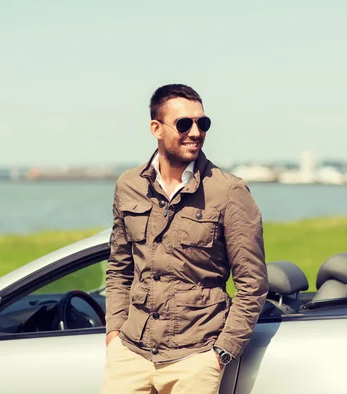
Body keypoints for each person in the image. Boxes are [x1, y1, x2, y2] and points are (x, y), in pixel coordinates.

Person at [101, 83, 268, 394]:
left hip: (196, 357)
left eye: (202, 123)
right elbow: (119, 269)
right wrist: (114, 333)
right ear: (156, 128)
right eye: (184, 123)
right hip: (130, 353)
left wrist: (220, 353)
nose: (196, 132)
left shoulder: (229, 192)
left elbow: (252, 283)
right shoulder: (129, 186)